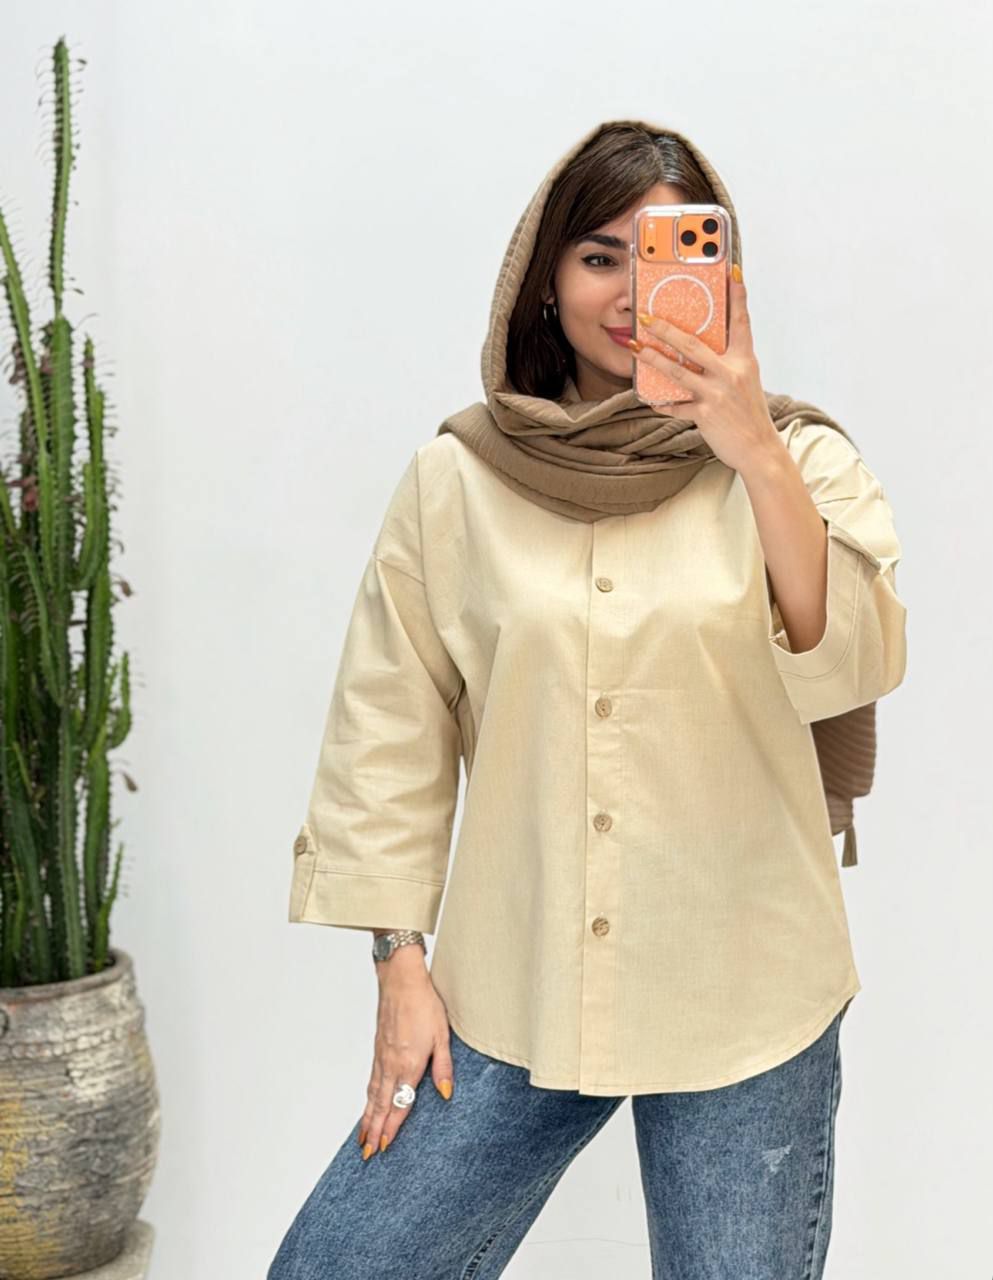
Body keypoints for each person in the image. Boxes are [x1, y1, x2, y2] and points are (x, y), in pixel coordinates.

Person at [267, 117, 907, 1279]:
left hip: (746, 987)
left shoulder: (798, 460)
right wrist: (397, 961)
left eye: (664, 255)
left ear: (720, 276)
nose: (629, 292)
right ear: (545, 277)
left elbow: (853, 659)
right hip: (519, 983)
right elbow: (390, 723)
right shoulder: (459, 477)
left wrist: (754, 451)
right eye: (600, 255)